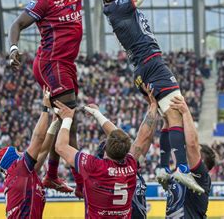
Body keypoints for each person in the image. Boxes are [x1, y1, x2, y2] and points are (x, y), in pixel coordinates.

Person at [8, 0, 151, 196]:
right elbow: (17, 24)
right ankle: (80, 184)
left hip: (66, 65)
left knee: (64, 120)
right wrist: (14, 49)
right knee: (68, 120)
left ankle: (52, 175)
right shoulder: (44, 0)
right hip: (52, 64)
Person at [98, 0, 202, 193]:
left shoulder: (117, 10)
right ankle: (180, 169)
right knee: (177, 112)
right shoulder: (119, 7)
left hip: (144, 69)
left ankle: (166, 169)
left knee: (168, 118)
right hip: (152, 65)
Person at [54, 84, 159, 219]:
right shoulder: (131, 165)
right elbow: (144, 136)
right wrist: (153, 106)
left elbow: (60, 147)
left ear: (105, 150)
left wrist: (67, 118)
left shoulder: (95, 167)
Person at [0, 88, 60, 219]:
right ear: (12, 160)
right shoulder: (19, 169)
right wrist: (45, 107)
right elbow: (38, 138)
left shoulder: (22, 174)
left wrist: (55, 123)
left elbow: (44, 150)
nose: (21, 152)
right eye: (17, 151)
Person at [162, 96, 217, 218]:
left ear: (201, 162)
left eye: (196, 153)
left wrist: (186, 112)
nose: (187, 152)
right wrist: (167, 122)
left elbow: (192, 145)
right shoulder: (181, 172)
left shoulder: (200, 176)